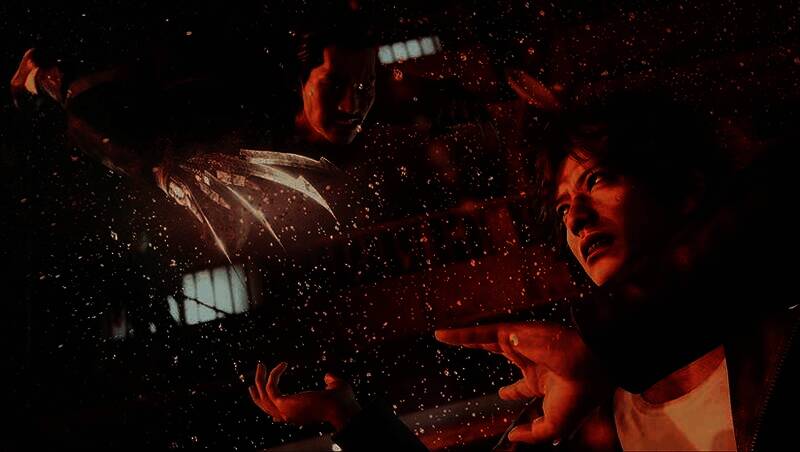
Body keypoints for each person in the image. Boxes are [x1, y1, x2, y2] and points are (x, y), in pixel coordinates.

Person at [248, 91, 798, 451]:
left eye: (598, 180)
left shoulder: (784, 325)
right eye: (561, 207)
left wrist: (604, 341)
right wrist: (351, 419)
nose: (576, 218)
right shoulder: (580, 412)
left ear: (686, 189)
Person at [9, 3, 377, 256]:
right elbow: (100, 116)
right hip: (109, 140)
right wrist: (165, 173)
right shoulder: (238, 92)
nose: (351, 105)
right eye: (334, 85)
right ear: (303, 81)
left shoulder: (359, 151)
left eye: (366, 86)